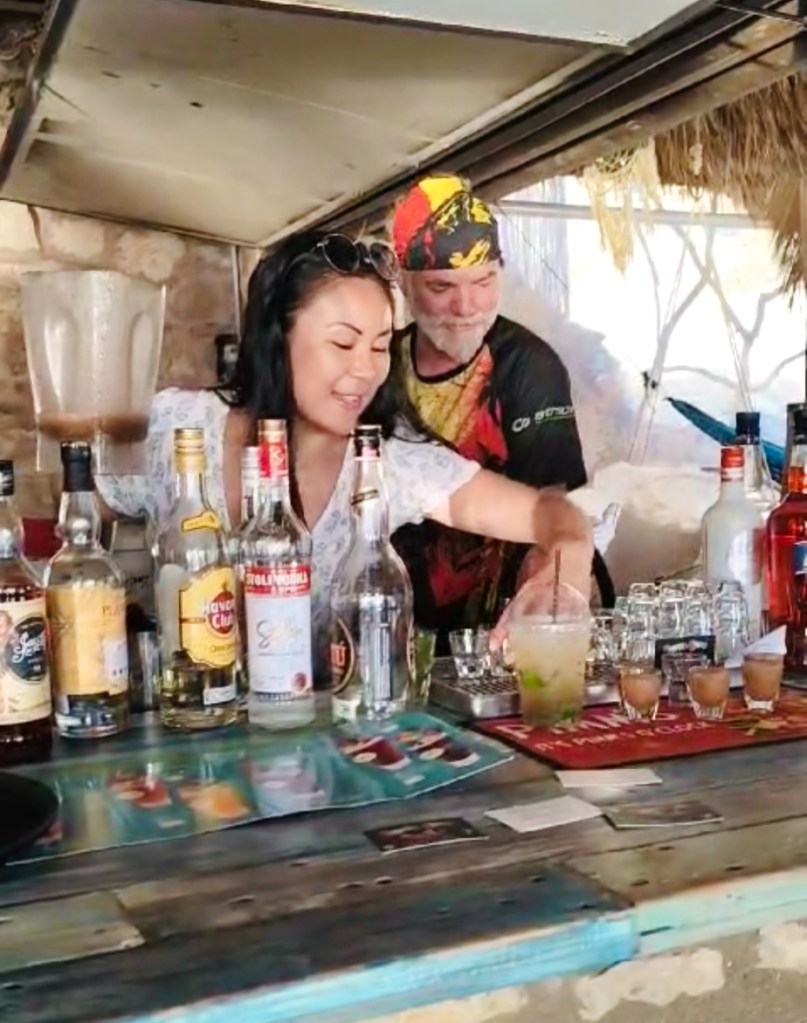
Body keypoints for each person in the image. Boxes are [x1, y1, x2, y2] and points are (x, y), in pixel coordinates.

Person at [98, 229, 592, 679]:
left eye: (379, 347)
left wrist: (561, 576)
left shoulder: (384, 462)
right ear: (277, 338)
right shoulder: (173, 427)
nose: (366, 371)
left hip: (304, 743)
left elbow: (554, 516)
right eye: (343, 343)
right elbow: (76, 519)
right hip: (181, 727)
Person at [389, 173, 609, 646]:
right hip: (406, 635)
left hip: (502, 634)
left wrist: (551, 595)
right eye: (441, 286)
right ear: (402, 281)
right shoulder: (376, 367)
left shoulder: (527, 366)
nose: (466, 306)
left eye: (484, 281)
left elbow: (553, 511)